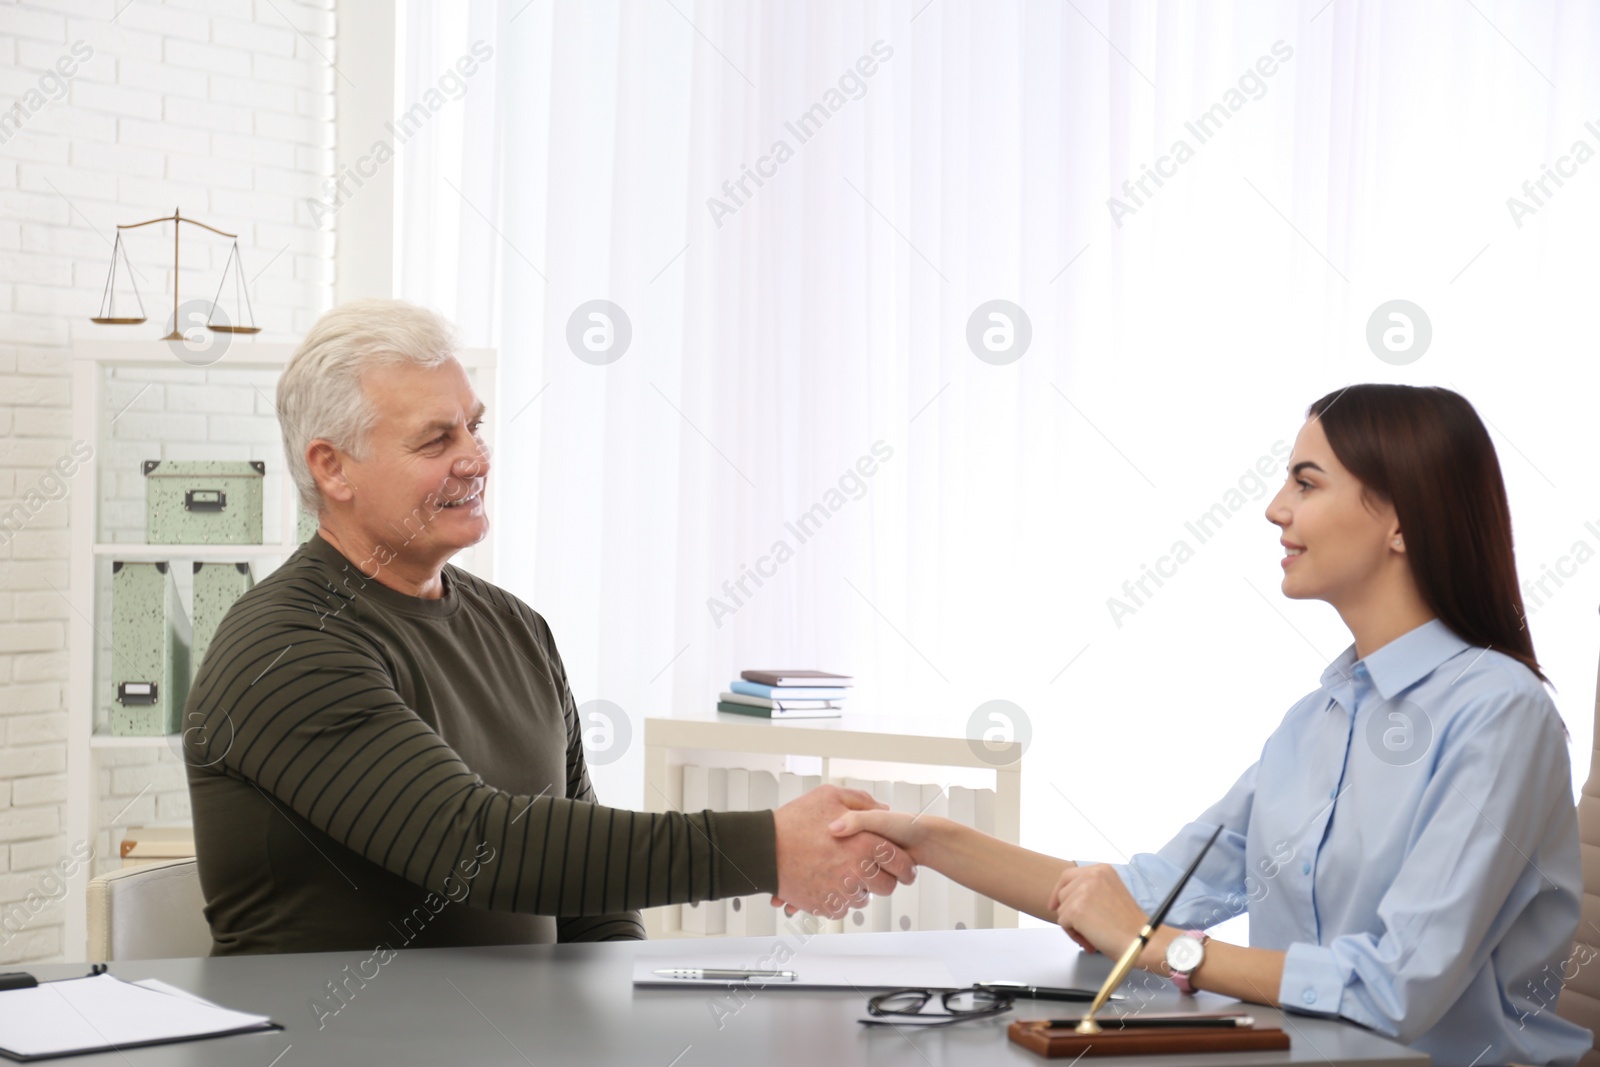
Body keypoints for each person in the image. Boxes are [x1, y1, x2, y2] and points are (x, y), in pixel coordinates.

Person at [826, 384, 1594, 1067]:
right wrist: (926, 840)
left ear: (1398, 518)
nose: (1274, 508)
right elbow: (1148, 894)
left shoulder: (1502, 716)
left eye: (1306, 481)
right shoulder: (1315, 721)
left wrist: (1158, 948)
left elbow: (1396, 988)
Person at [182, 298, 912, 955]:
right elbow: (474, 842)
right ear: (332, 468)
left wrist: (619, 1009)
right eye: (436, 440)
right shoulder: (283, 649)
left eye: (474, 425)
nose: (475, 457)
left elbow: (586, 893)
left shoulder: (515, 627)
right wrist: (769, 845)